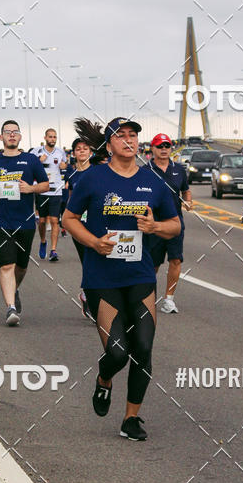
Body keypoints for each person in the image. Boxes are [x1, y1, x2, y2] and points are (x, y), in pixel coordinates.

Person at [63, 117, 180, 441]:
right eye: (121, 136)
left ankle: (131, 418)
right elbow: (69, 218)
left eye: (133, 135)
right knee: (117, 353)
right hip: (102, 278)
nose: (129, 141)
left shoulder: (152, 182)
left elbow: (175, 225)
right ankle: (104, 381)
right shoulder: (92, 179)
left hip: (140, 275)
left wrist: (156, 228)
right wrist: (93, 242)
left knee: (143, 347)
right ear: (110, 143)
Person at [0, 120, 49, 325]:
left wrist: (30, 189)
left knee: (21, 266)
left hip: (25, 222)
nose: (11, 135)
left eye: (15, 132)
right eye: (7, 132)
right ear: (1, 137)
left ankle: (14, 289)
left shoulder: (31, 160)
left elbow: (45, 185)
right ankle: (10, 308)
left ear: (20, 137)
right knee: (7, 265)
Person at [145, 132, 192, 313]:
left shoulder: (179, 169)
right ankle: (147, 296)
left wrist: (189, 201)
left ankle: (169, 299)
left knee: (176, 259)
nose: (164, 149)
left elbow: (186, 191)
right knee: (153, 264)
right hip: (154, 224)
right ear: (153, 148)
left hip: (175, 222)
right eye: (160, 146)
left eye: (167, 146)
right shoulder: (145, 170)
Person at [65, 135, 93, 318]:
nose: (82, 151)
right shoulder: (72, 175)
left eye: (85, 148)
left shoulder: (98, 172)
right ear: (74, 153)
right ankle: (89, 299)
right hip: (79, 226)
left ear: (91, 152)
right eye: (78, 149)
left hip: (97, 223)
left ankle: (88, 294)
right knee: (88, 262)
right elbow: (70, 201)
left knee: (97, 263)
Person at [32, 129, 67, 262]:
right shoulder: (36, 151)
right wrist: (38, 162)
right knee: (42, 221)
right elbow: (30, 168)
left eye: (54, 137)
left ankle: (53, 250)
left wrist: (64, 165)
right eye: (50, 137)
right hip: (42, 190)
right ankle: (43, 241)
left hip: (56, 190)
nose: (52, 139)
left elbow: (64, 165)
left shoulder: (60, 152)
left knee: (54, 220)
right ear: (45, 137)